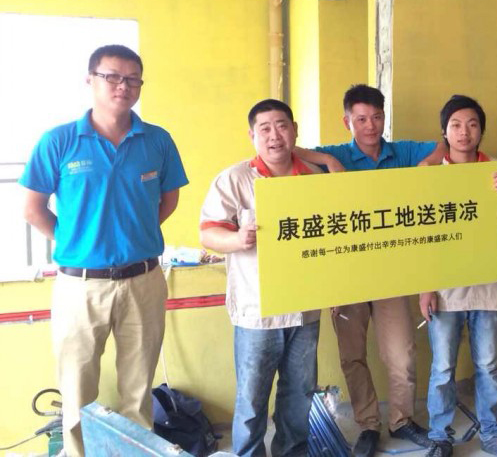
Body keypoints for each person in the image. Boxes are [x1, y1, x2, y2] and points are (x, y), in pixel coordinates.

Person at [20, 44, 188, 457]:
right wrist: (77, 243)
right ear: (90, 80)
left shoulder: (157, 140)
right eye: (112, 76)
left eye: (132, 79)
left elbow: (168, 200)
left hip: (144, 281)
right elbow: (33, 208)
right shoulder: (59, 141)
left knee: (138, 389)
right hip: (80, 286)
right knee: (77, 390)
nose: (122, 86)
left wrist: (135, 236)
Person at [294, 84, 441, 457]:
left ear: (384, 117)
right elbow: (289, 150)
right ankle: (368, 424)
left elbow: (442, 147)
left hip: (393, 273)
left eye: (376, 117)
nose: (370, 126)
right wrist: (328, 163)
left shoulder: (402, 152)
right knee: (352, 356)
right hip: (348, 275)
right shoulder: (337, 154)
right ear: (347, 122)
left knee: (402, 354)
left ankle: (402, 420)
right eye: (361, 119)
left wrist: (424, 169)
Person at [200, 99, 323, 457]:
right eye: (264, 128)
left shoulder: (314, 180)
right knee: (252, 398)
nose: (274, 135)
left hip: (305, 309)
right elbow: (208, 233)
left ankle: (292, 452)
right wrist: (237, 240)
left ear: (294, 130)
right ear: (252, 135)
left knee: (299, 394)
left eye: (282, 126)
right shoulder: (235, 180)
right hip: (257, 310)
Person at [418, 95, 497, 457]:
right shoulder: (431, 173)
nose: (464, 132)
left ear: (481, 130)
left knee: (488, 366)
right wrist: (425, 288)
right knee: (442, 367)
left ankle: (492, 433)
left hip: (488, 286)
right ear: (444, 132)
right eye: (456, 125)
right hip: (444, 288)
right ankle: (440, 435)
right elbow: (420, 236)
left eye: (472, 124)